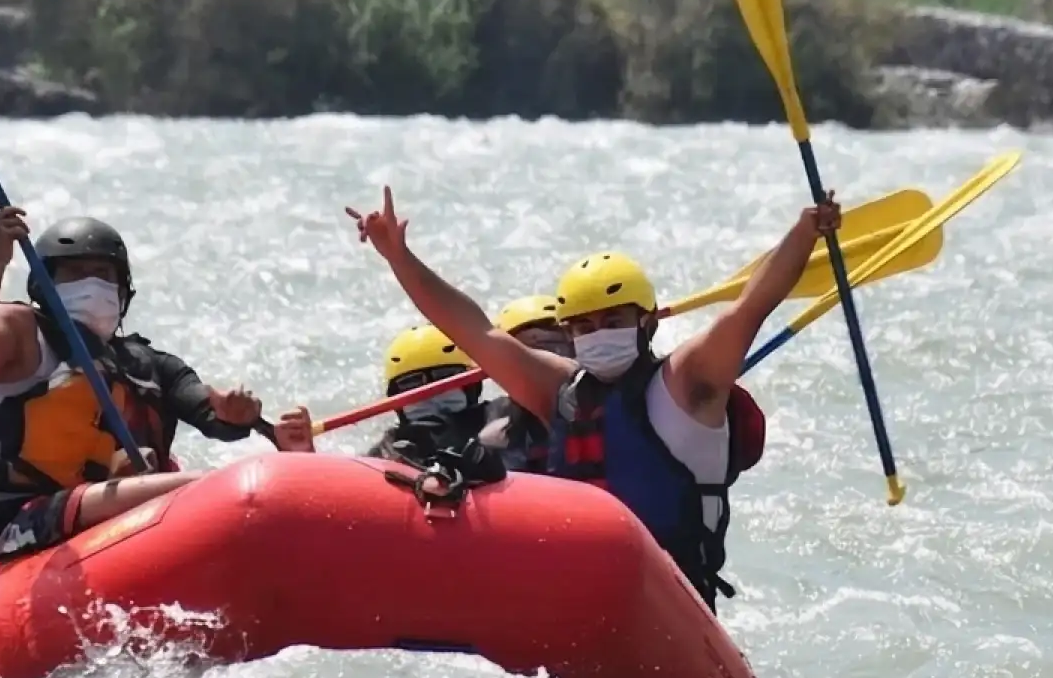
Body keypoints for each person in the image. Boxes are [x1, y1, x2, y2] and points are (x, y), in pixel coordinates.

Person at [348, 191, 825, 605]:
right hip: (571, 593)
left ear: (648, 322)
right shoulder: (559, 391)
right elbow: (475, 329)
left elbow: (749, 310)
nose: (598, 336)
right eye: (583, 327)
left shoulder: (689, 382)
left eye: (613, 321)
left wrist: (805, 233)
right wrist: (400, 259)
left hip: (672, 599)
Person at [0, 205, 299, 565]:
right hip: (2, 520)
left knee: (212, 494)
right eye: (75, 272)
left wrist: (240, 414)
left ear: (123, 291)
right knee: (215, 487)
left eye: (103, 274)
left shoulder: (150, 364)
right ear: (44, 285)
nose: (92, 284)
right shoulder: (21, 331)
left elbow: (213, 414)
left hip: (108, 519)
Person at [370, 321, 500, 484]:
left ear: (471, 388)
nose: (431, 394)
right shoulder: (387, 452)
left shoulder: (504, 422)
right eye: (412, 383)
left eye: (445, 378)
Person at [484, 291, 569, 474]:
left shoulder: (603, 401)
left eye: (555, 349)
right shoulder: (492, 431)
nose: (540, 367)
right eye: (525, 357)